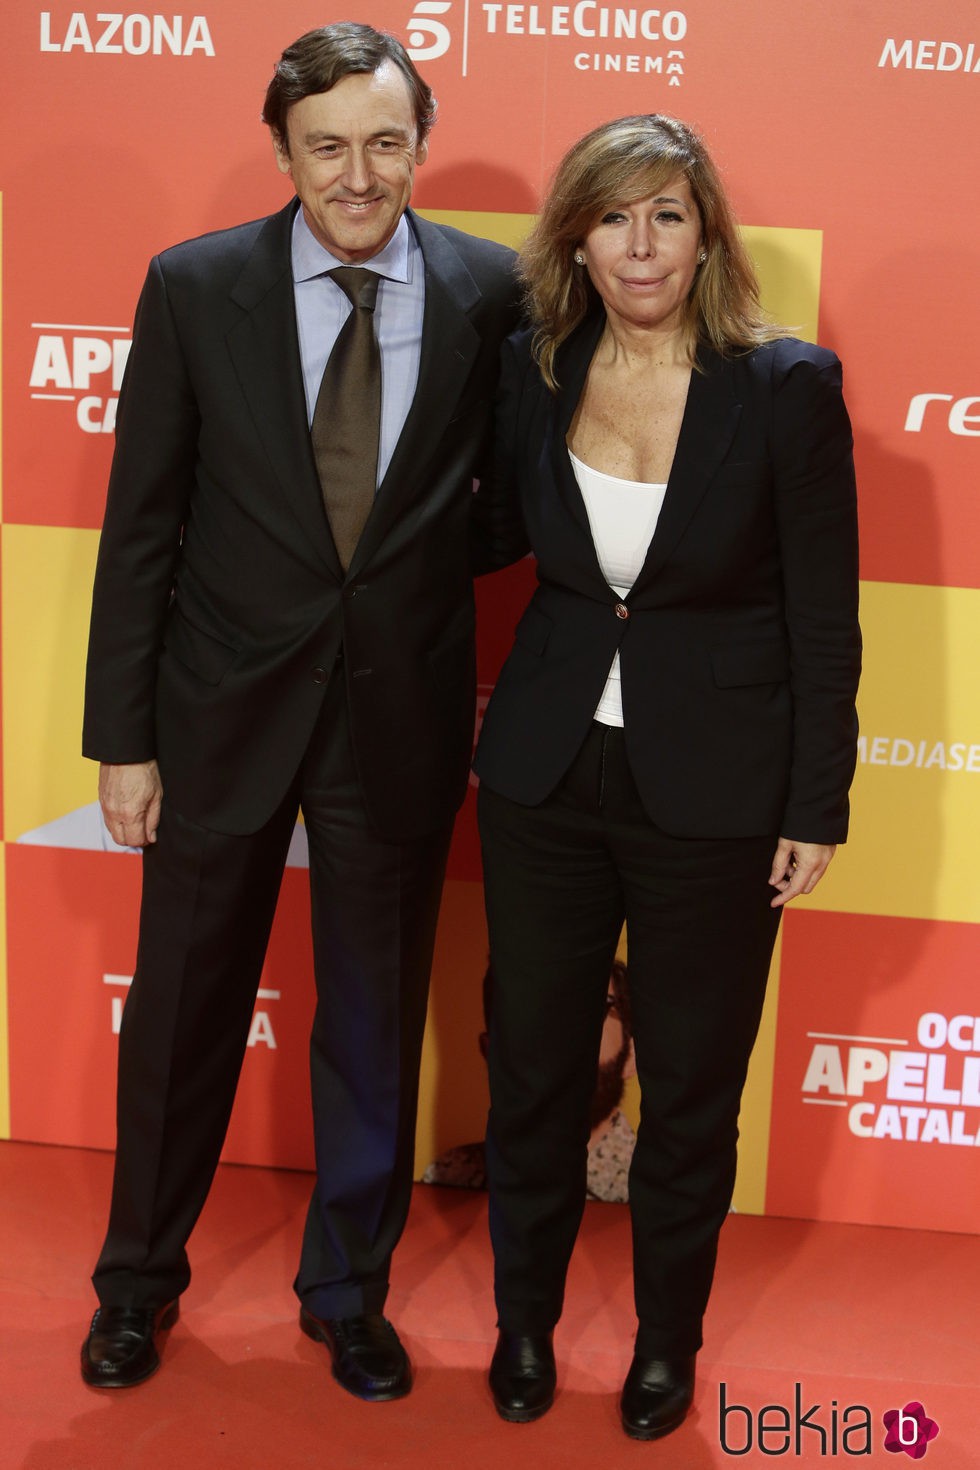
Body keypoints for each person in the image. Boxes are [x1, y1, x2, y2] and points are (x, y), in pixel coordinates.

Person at [79, 22, 518, 1399]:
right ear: (283, 150)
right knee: (181, 1012)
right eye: (327, 144)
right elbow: (140, 525)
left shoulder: (488, 290)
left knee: (375, 1017)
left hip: (396, 712)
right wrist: (126, 737)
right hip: (216, 713)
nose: (358, 171)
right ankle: (137, 1284)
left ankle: (349, 1292)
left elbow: (508, 502)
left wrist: (415, 569)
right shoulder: (195, 287)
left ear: (418, 146)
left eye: (385, 141)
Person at [473, 114, 860, 1439]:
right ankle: (524, 1322)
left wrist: (818, 799)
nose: (641, 245)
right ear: (576, 234)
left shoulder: (789, 385)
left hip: (720, 785)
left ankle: (664, 1343)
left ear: (707, 234)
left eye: (668, 215)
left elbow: (824, 613)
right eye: (614, 216)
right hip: (542, 771)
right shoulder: (532, 366)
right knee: (530, 1067)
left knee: (691, 1081)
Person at [423, 958, 636, 1202]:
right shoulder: (451, 1178)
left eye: (586, 1007)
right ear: (491, 1053)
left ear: (631, 1055)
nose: (553, 1033)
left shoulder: (667, 1200)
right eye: (527, 1011)